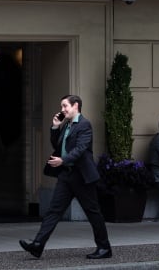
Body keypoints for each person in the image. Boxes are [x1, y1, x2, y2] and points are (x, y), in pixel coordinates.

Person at [19, 95, 112, 260]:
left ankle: (104, 248)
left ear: (75, 105)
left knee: (93, 212)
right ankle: (38, 245)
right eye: (62, 106)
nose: (62, 110)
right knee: (54, 211)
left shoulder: (84, 125)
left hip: (82, 176)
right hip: (66, 175)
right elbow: (58, 145)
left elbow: (81, 148)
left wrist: (63, 160)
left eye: (65, 106)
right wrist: (55, 128)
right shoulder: (67, 125)